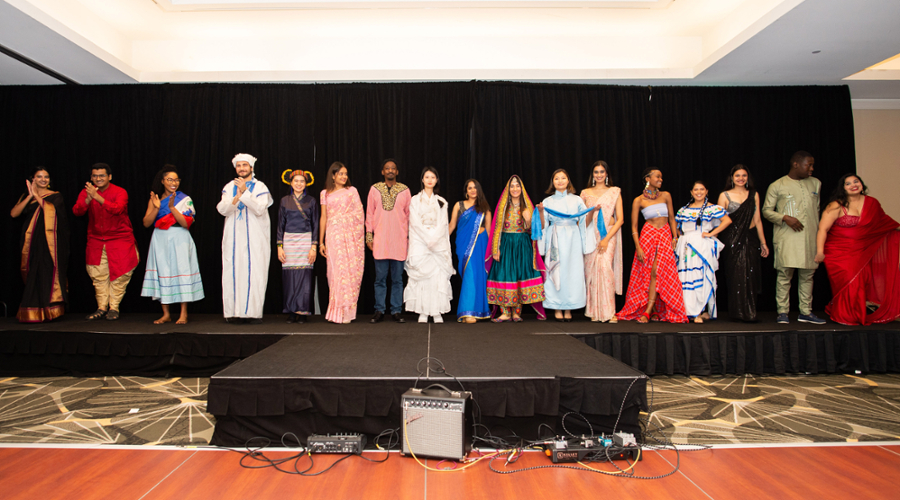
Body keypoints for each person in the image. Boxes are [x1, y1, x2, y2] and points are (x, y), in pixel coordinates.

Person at [814, 174, 900, 325]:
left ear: (861, 184)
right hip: (838, 252)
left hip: (862, 251)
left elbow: (882, 222)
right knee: (849, 281)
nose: (853, 185)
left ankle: (856, 314)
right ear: (843, 188)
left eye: (856, 181)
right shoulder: (836, 205)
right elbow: (822, 229)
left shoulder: (872, 203)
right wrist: (820, 252)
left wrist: (896, 228)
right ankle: (844, 316)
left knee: (861, 282)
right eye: (848, 183)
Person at [762, 151, 825, 324]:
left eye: (812, 165)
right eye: (808, 165)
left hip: (810, 237)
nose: (811, 169)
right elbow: (766, 211)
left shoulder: (816, 183)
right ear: (796, 164)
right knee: (784, 275)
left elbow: (817, 211)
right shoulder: (778, 185)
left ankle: (805, 311)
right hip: (787, 237)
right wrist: (784, 218)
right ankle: (782, 312)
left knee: (808, 275)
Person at [617, 168, 687, 324]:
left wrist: (675, 236)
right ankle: (653, 309)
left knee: (658, 270)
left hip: (664, 234)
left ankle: (649, 311)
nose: (661, 179)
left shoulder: (666, 195)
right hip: (648, 236)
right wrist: (638, 247)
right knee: (647, 272)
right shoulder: (639, 200)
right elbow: (634, 227)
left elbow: (671, 218)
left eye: (661, 177)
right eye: (658, 176)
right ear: (648, 178)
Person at [72, 163, 139, 321]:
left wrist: (97, 198)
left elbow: (118, 209)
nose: (98, 178)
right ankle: (101, 307)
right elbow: (77, 211)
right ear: (91, 177)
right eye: (95, 176)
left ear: (109, 177)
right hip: (96, 239)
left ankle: (114, 307)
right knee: (98, 274)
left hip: (119, 238)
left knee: (121, 273)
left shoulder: (120, 192)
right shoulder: (87, 192)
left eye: (102, 176)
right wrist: (88, 199)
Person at [140, 165, 204, 324]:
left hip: (180, 237)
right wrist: (156, 208)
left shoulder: (184, 199)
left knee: (183, 270)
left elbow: (185, 223)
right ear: (162, 181)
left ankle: (183, 314)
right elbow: (146, 223)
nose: (173, 182)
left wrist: (171, 208)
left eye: (176, 179)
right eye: (170, 179)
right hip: (160, 238)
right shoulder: (155, 199)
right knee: (164, 271)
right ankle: (166, 313)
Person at [216, 153, 273, 324]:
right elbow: (223, 209)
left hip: (255, 239)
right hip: (234, 238)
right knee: (232, 271)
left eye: (244, 165)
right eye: (239, 166)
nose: (241, 168)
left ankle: (252, 313)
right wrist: (237, 196)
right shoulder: (228, 187)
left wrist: (246, 192)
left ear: (251, 168)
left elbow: (260, 209)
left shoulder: (260, 187)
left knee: (255, 272)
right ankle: (233, 312)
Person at [535, 169, 595, 322]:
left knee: (571, 271)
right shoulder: (548, 201)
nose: (560, 181)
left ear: (568, 181)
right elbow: (543, 225)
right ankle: (556, 307)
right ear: (552, 182)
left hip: (572, 238)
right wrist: (541, 212)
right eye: (556, 178)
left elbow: (584, 223)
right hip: (555, 237)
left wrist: (593, 212)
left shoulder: (577, 200)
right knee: (556, 269)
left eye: (563, 178)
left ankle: (568, 308)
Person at [10, 167, 69, 322]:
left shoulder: (55, 196)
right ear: (33, 179)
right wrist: (30, 196)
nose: (44, 179)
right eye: (40, 177)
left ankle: (51, 312)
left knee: (47, 273)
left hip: (50, 243)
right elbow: (14, 213)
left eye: (46, 177)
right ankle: (32, 311)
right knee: (32, 274)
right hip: (30, 242)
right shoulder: (27, 196)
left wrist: (37, 195)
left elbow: (53, 214)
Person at [486, 175, 547, 322]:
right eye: (512, 186)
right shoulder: (503, 207)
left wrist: (532, 217)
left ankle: (517, 312)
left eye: (517, 186)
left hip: (522, 245)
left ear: (522, 189)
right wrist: (496, 249)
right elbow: (496, 229)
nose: (515, 189)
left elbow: (538, 230)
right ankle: (505, 312)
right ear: (508, 189)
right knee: (505, 275)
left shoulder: (527, 207)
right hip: (506, 244)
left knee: (520, 275)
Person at [716, 164, 769, 322]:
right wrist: (711, 238)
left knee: (750, 275)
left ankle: (750, 312)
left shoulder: (754, 194)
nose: (741, 178)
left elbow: (757, 219)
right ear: (732, 178)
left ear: (748, 178)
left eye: (744, 175)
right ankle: (737, 312)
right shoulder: (724, 195)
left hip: (750, 238)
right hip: (732, 239)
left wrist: (763, 243)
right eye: (737, 175)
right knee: (735, 275)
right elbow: (719, 220)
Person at [675, 181, 732, 323]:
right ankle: (689, 311)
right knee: (686, 277)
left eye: (702, 189)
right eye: (696, 190)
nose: (698, 192)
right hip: (686, 246)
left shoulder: (712, 208)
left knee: (701, 275)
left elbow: (727, 221)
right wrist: (679, 238)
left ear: (706, 191)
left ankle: (699, 311)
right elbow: (677, 227)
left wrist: (711, 233)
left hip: (702, 245)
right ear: (691, 192)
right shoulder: (683, 210)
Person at [405, 167, 454, 323]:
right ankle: (423, 311)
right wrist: (427, 239)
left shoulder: (441, 201)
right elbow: (414, 223)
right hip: (420, 242)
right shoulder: (414, 200)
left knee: (437, 277)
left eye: (433, 177)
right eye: (427, 177)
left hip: (437, 243)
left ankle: (437, 311)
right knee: (422, 278)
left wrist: (434, 239)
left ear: (436, 180)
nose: (430, 180)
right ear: (422, 179)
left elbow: (443, 224)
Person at [319, 161, 365, 324]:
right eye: (341, 174)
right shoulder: (325, 193)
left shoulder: (352, 191)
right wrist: (321, 242)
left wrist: (345, 221)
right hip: (333, 237)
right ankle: (336, 311)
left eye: (346, 174)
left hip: (350, 237)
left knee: (350, 271)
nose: (344, 177)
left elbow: (359, 214)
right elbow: (324, 217)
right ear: (333, 176)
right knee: (335, 273)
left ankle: (348, 312)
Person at [365, 159, 410, 323]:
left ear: (397, 172)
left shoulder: (404, 190)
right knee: (380, 279)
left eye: (393, 168)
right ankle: (379, 310)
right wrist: (369, 236)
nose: (390, 170)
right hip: (380, 241)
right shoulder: (375, 189)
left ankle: (396, 310)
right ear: (382, 172)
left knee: (398, 279)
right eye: (387, 168)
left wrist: (409, 239)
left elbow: (409, 216)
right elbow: (369, 214)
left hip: (399, 241)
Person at [580, 161, 624, 323]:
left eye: (602, 172)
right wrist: (592, 212)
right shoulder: (585, 193)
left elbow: (620, 220)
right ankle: (593, 311)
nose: (599, 175)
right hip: (591, 236)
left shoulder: (614, 192)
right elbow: (583, 222)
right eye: (596, 172)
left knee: (605, 270)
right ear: (592, 175)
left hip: (608, 235)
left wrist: (606, 239)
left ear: (607, 174)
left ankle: (610, 311)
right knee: (591, 272)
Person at [277, 169, 318, 324]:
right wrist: (279, 246)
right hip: (288, 241)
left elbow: (316, 225)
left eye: (302, 181)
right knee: (289, 277)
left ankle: (303, 311)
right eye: (296, 181)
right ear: (291, 183)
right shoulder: (284, 201)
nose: (299, 184)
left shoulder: (311, 201)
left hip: (306, 240)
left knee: (305, 277)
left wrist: (313, 246)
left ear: (306, 183)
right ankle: (291, 310)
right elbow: (280, 225)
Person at [449, 179, 492, 323]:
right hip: (464, 245)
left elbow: (489, 230)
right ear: (466, 191)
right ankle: (467, 312)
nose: (473, 190)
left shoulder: (484, 207)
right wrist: (438, 241)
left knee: (478, 276)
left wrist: (484, 235)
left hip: (480, 246)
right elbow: (452, 226)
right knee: (469, 275)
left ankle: (474, 311)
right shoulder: (459, 205)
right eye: (470, 188)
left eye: (475, 188)